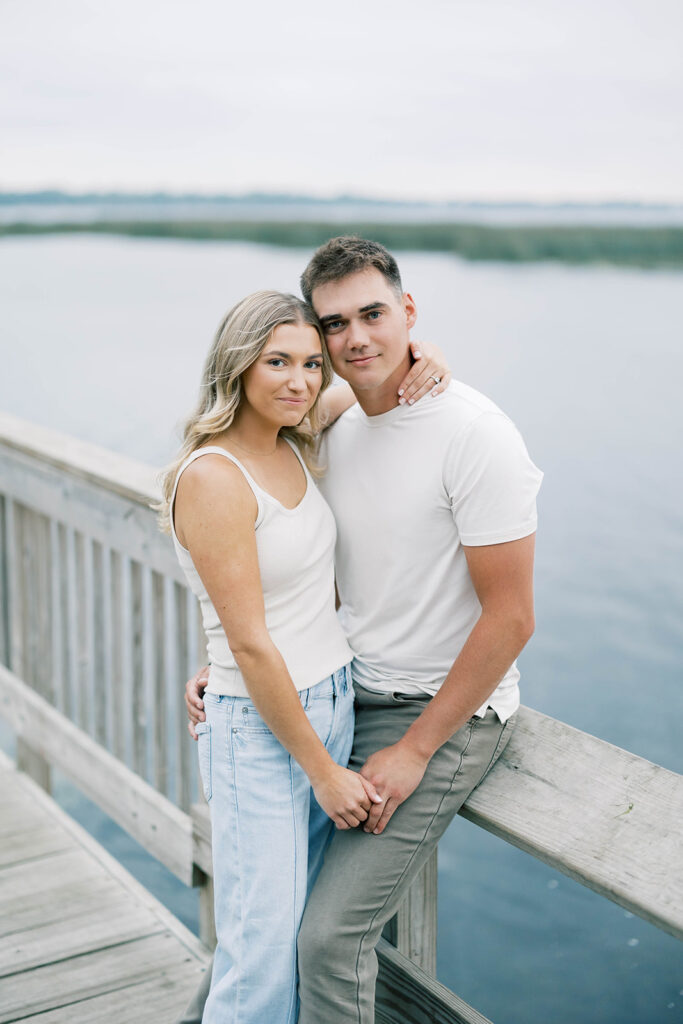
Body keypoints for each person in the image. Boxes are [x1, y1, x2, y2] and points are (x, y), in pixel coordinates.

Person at [182, 238, 542, 1024]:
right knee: (265, 925)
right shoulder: (327, 426)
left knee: (321, 938)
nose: (354, 340)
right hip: (335, 699)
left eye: (374, 315)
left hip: (433, 716)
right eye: (334, 326)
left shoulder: (475, 434)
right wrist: (230, 662)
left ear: (408, 312)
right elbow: (273, 564)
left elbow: (512, 618)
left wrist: (414, 750)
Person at [163, 288, 450, 1024]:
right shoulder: (215, 476)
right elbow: (250, 642)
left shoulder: (294, 435)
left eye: (311, 363)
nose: (299, 381)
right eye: (277, 362)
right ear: (237, 365)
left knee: (292, 937)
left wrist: (423, 355)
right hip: (263, 731)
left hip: (328, 703)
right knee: (259, 953)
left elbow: (373, 377)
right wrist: (323, 772)